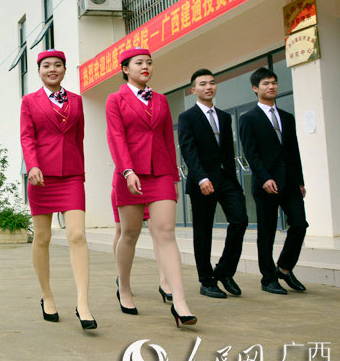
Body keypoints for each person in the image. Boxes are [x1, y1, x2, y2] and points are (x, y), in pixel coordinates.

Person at [106, 47, 196, 328]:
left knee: (166, 233)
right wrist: (127, 169)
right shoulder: (114, 99)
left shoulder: (160, 100)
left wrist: (173, 175)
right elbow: (116, 137)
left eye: (149, 63)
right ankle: (125, 288)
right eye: (138, 63)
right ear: (125, 69)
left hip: (160, 173)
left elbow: (168, 137)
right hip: (130, 173)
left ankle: (180, 302)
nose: (145, 66)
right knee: (129, 233)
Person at [19, 49, 95, 330]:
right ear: (39, 71)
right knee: (42, 237)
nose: (52, 69)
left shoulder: (76, 101)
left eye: (58, 65)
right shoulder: (29, 102)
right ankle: (46, 295)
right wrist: (32, 166)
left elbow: (79, 136)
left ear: (64, 69)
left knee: (77, 235)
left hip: (72, 175)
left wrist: (82, 171)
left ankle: (83, 303)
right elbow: (27, 137)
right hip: (41, 176)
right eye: (46, 66)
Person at [178, 69, 248, 298]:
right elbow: (189, 151)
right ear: (193, 90)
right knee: (203, 232)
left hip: (226, 179)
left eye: (212, 83)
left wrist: (232, 176)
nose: (208, 87)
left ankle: (224, 272)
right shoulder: (187, 118)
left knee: (240, 220)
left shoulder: (225, 117)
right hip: (202, 182)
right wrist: (201, 177)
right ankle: (206, 281)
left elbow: (227, 151)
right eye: (202, 84)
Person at [239, 67, 307, 294]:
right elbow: (251, 152)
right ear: (255, 88)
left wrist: (299, 181)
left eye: (274, 83)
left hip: (289, 182)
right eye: (266, 83)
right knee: (266, 233)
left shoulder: (287, 118)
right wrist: (264, 177)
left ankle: (285, 269)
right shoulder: (249, 118)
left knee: (299, 224)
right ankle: (268, 278)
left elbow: (293, 152)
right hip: (265, 184)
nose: (272, 87)